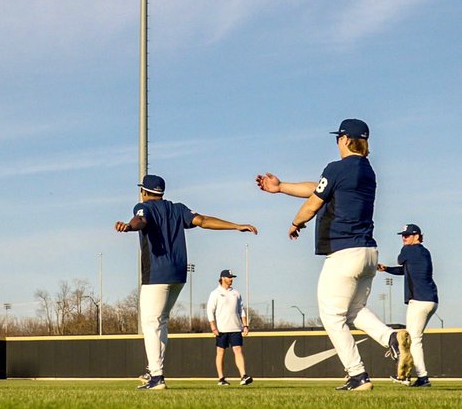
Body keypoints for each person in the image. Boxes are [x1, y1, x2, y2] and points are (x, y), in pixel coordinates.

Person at [256, 117, 410, 393]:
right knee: (353, 310)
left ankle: (357, 375)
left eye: (338, 138)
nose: (337, 143)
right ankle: (391, 338)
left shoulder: (337, 168)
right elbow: (318, 188)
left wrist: (295, 223)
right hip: (368, 252)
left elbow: (314, 202)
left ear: (345, 139)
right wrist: (280, 187)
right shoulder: (366, 170)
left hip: (344, 252)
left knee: (331, 316)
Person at [115, 174, 258, 392]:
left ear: (144, 192)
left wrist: (129, 226)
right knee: (161, 321)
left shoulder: (144, 207)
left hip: (157, 274)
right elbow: (203, 220)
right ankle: (153, 369)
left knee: (151, 324)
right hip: (179, 274)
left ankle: (156, 376)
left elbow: (141, 220)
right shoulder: (177, 208)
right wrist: (235, 226)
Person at [378, 224, 438, 388]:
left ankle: (418, 377)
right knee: (414, 339)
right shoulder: (424, 252)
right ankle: (414, 376)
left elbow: (400, 259)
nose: (404, 238)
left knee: (412, 340)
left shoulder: (409, 250)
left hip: (418, 300)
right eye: (403, 235)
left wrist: (405, 250)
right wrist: (387, 269)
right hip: (431, 300)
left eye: (407, 235)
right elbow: (405, 270)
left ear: (417, 236)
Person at [206, 269, 252, 386]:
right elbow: (210, 311)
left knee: (238, 350)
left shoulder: (236, 293)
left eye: (232, 277)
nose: (231, 279)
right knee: (220, 352)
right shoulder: (215, 293)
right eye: (229, 277)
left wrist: (245, 325)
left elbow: (241, 310)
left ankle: (243, 376)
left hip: (236, 328)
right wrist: (213, 327)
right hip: (221, 329)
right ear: (222, 278)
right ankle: (221, 378)